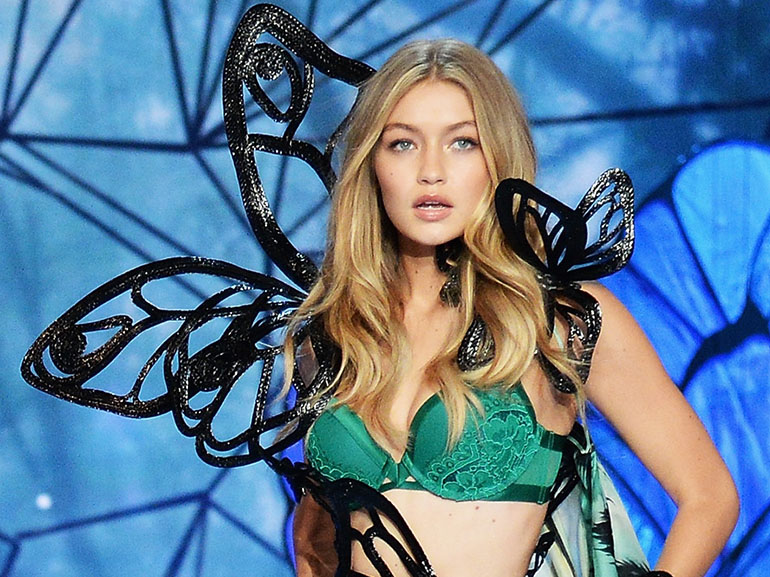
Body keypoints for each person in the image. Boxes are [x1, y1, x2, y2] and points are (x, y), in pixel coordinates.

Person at [282, 38, 738, 577]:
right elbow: (316, 539)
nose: (431, 171)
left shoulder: (560, 321)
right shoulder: (336, 333)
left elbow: (708, 497)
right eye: (402, 143)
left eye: (462, 143)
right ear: (372, 164)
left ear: (498, 158)